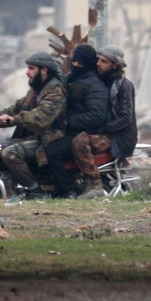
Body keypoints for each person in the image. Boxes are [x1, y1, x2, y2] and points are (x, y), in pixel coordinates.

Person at [0, 53, 67, 199]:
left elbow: (41, 118)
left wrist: (13, 120)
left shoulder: (56, 91)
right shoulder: (35, 90)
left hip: (48, 139)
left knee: (10, 153)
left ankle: (36, 191)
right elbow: (17, 107)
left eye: (31, 68)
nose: (27, 72)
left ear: (44, 70)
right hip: (32, 138)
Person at [42, 44, 110, 198]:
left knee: (53, 152)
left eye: (80, 63)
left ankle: (67, 191)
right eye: (74, 62)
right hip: (68, 130)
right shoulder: (70, 79)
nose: (76, 66)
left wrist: (68, 122)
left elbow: (95, 116)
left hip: (82, 133)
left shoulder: (95, 86)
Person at [72, 45, 138, 200]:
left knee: (80, 141)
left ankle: (94, 186)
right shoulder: (99, 81)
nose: (98, 64)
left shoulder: (123, 86)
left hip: (118, 136)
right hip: (104, 132)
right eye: (98, 60)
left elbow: (126, 118)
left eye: (104, 61)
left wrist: (103, 128)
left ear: (114, 65)